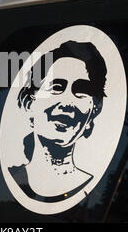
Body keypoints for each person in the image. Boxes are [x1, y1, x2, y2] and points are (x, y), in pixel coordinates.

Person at [10, 40, 107, 201]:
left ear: (93, 113)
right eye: (55, 87)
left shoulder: (92, 194)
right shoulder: (4, 177)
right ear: (30, 104)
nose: (67, 103)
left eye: (82, 91)